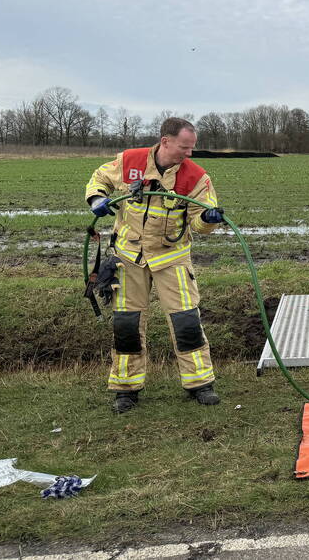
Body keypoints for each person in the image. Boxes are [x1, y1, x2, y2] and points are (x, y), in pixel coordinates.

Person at [85, 117, 225, 413]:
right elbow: (99, 179)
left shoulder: (197, 177)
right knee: (127, 324)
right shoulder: (129, 161)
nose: (189, 154)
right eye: (184, 147)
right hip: (128, 256)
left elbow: (199, 221)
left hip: (171, 257)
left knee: (186, 320)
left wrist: (208, 220)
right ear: (165, 141)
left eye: (192, 148)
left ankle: (200, 383)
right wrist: (97, 198)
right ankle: (126, 389)